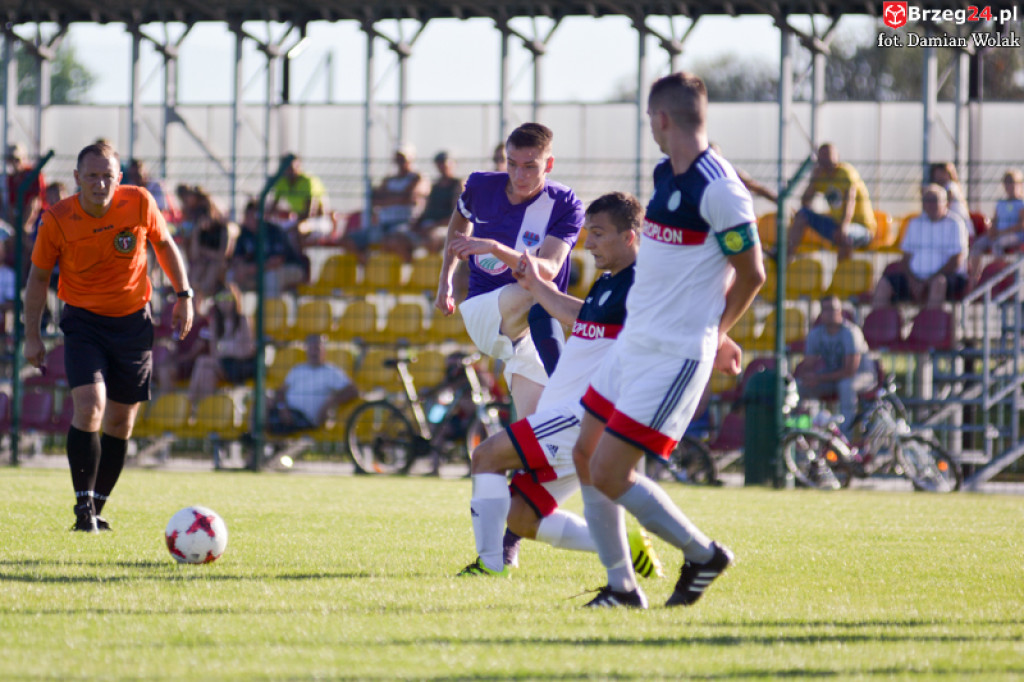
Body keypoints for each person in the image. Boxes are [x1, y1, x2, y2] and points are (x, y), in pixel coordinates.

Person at [572, 72, 763, 609]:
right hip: (635, 341)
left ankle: (703, 554)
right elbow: (701, 265)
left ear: (661, 119)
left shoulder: (720, 189)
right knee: (585, 454)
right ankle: (620, 588)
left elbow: (751, 273)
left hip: (674, 354)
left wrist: (716, 330)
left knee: (611, 472)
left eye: (649, 121)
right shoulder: (667, 173)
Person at [457, 192, 662, 579]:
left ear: (629, 237)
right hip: (572, 418)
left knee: (485, 457)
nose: (588, 243)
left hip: (580, 417)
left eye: (598, 234)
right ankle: (627, 546)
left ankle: (489, 565)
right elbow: (576, 314)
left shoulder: (644, 287)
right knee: (522, 518)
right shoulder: (609, 283)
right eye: (588, 232)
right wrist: (535, 285)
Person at [23, 141, 193, 533]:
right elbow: (36, 279)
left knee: (120, 421)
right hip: (83, 323)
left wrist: (184, 294)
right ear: (77, 179)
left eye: (107, 176)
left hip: (133, 323)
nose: (100, 184)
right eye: (92, 176)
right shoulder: (57, 219)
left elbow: (164, 245)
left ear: (119, 178)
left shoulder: (138, 202)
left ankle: (98, 505)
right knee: (91, 404)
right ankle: (82, 508)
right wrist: (32, 336)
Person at [434, 123, 584, 419]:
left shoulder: (565, 204)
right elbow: (459, 222)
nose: (519, 175)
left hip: (530, 328)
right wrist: (446, 280)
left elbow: (550, 268)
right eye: (512, 164)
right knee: (543, 294)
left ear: (549, 164)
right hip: (485, 311)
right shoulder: (481, 186)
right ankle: (593, 331)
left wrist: (494, 247)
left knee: (539, 429)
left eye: (530, 166)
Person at [872, 184, 969, 309]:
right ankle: (878, 326)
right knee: (884, 284)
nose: (930, 205)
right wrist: (913, 281)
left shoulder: (956, 223)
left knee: (938, 283)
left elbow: (956, 260)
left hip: (946, 278)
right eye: (926, 201)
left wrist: (929, 281)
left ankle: (929, 326)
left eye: (934, 200)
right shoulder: (915, 222)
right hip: (915, 278)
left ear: (945, 203)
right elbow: (906, 257)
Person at [781, 142, 876, 261]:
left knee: (844, 237)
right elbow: (805, 202)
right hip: (836, 224)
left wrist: (844, 226)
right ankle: (784, 259)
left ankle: (842, 276)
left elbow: (849, 201)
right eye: (822, 156)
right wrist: (813, 182)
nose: (825, 160)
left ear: (837, 156)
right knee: (802, 214)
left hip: (861, 228)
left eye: (828, 155)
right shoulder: (822, 176)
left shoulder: (846, 172)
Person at [795, 295, 877, 432]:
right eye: (826, 310)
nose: (830, 313)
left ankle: (846, 434)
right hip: (833, 377)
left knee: (846, 385)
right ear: (821, 314)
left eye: (834, 309)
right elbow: (807, 365)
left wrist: (818, 378)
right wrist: (807, 377)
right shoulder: (816, 334)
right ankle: (803, 432)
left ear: (840, 312)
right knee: (799, 386)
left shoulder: (851, 332)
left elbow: (850, 371)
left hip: (863, 376)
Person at [265, 334, 358, 434]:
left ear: (324, 351)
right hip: (285, 411)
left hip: (304, 419)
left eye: (317, 348)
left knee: (267, 420)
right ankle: (255, 438)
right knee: (262, 400)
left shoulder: (331, 372)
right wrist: (282, 408)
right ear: (307, 350)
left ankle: (259, 441)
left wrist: (331, 401)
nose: (314, 352)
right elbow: (281, 391)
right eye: (311, 348)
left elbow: (353, 391)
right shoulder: (297, 369)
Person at [186, 283, 256, 405]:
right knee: (207, 373)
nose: (224, 302)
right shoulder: (215, 323)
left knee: (202, 361)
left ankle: (189, 401)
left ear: (235, 299)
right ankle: (205, 410)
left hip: (239, 366)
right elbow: (214, 353)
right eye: (220, 299)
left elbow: (247, 350)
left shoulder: (242, 320)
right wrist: (228, 351)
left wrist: (227, 351)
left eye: (228, 298)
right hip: (223, 364)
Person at [229, 199, 307, 298]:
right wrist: (240, 268)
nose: (247, 219)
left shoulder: (274, 231)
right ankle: (232, 312)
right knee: (230, 275)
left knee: (270, 276)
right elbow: (237, 257)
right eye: (246, 215)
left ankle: (270, 313)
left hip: (291, 268)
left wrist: (249, 269)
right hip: (259, 270)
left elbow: (277, 262)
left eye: (251, 215)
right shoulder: (244, 233)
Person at [968, 169, 1024, 286]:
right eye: (1007, 182)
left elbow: (1021, 225)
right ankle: (974, 277)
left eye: (1013, 182)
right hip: (999, 234)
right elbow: (995, 220)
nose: (1010, 185)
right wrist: (992, 231)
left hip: (1015, 236)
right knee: (978, 245)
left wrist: (1001, 233)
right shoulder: (1000, 203)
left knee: (997, 244)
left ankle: (1001, 275)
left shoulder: (1021, 203)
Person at [269, 153, 327, 226]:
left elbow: (310, 212)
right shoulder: (282, 182)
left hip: (318, 220)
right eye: (286, 168)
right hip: (297, 220)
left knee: (299, 230)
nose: (288, 170)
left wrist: (295, 223)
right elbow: (273, 207)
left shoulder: (307, 181)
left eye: (291, 167)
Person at [4, 143, 48, 233]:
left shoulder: (33, 174)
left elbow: (37, 201)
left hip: (38, 216)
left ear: (24, 158)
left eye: (17, 159)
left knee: (33, 203)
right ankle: (17, 233)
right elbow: (12, 204)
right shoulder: (10, 179)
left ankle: (23, 231)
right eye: (10, 159)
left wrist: (26, 224)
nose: (14, 163)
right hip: (19, 215)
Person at [929, 162, 971, 230]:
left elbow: (948, 199)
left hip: (963, 229)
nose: (939, 176)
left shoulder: (951, 185)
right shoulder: (941, 187)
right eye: (936, 174)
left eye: (942, 173)